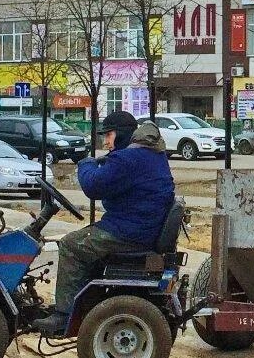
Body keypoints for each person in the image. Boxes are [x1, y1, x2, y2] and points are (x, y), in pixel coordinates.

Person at [34, 110, 175, 335]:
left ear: (119, 134)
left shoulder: (129, 159)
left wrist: (86, 163)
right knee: (86, 241)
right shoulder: (150, 154)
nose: (105, 141)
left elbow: (93, 186)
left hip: (128, 232)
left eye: (107, 135)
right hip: (139, 227)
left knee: (71, 245)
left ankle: (63, 314)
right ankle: (84, 303)